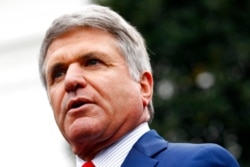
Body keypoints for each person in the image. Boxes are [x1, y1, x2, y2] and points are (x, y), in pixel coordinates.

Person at [38, 4, 239, 167]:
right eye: (58, 73)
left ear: (144, 87)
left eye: (92, 62)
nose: (71, 80)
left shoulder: (198, 163)